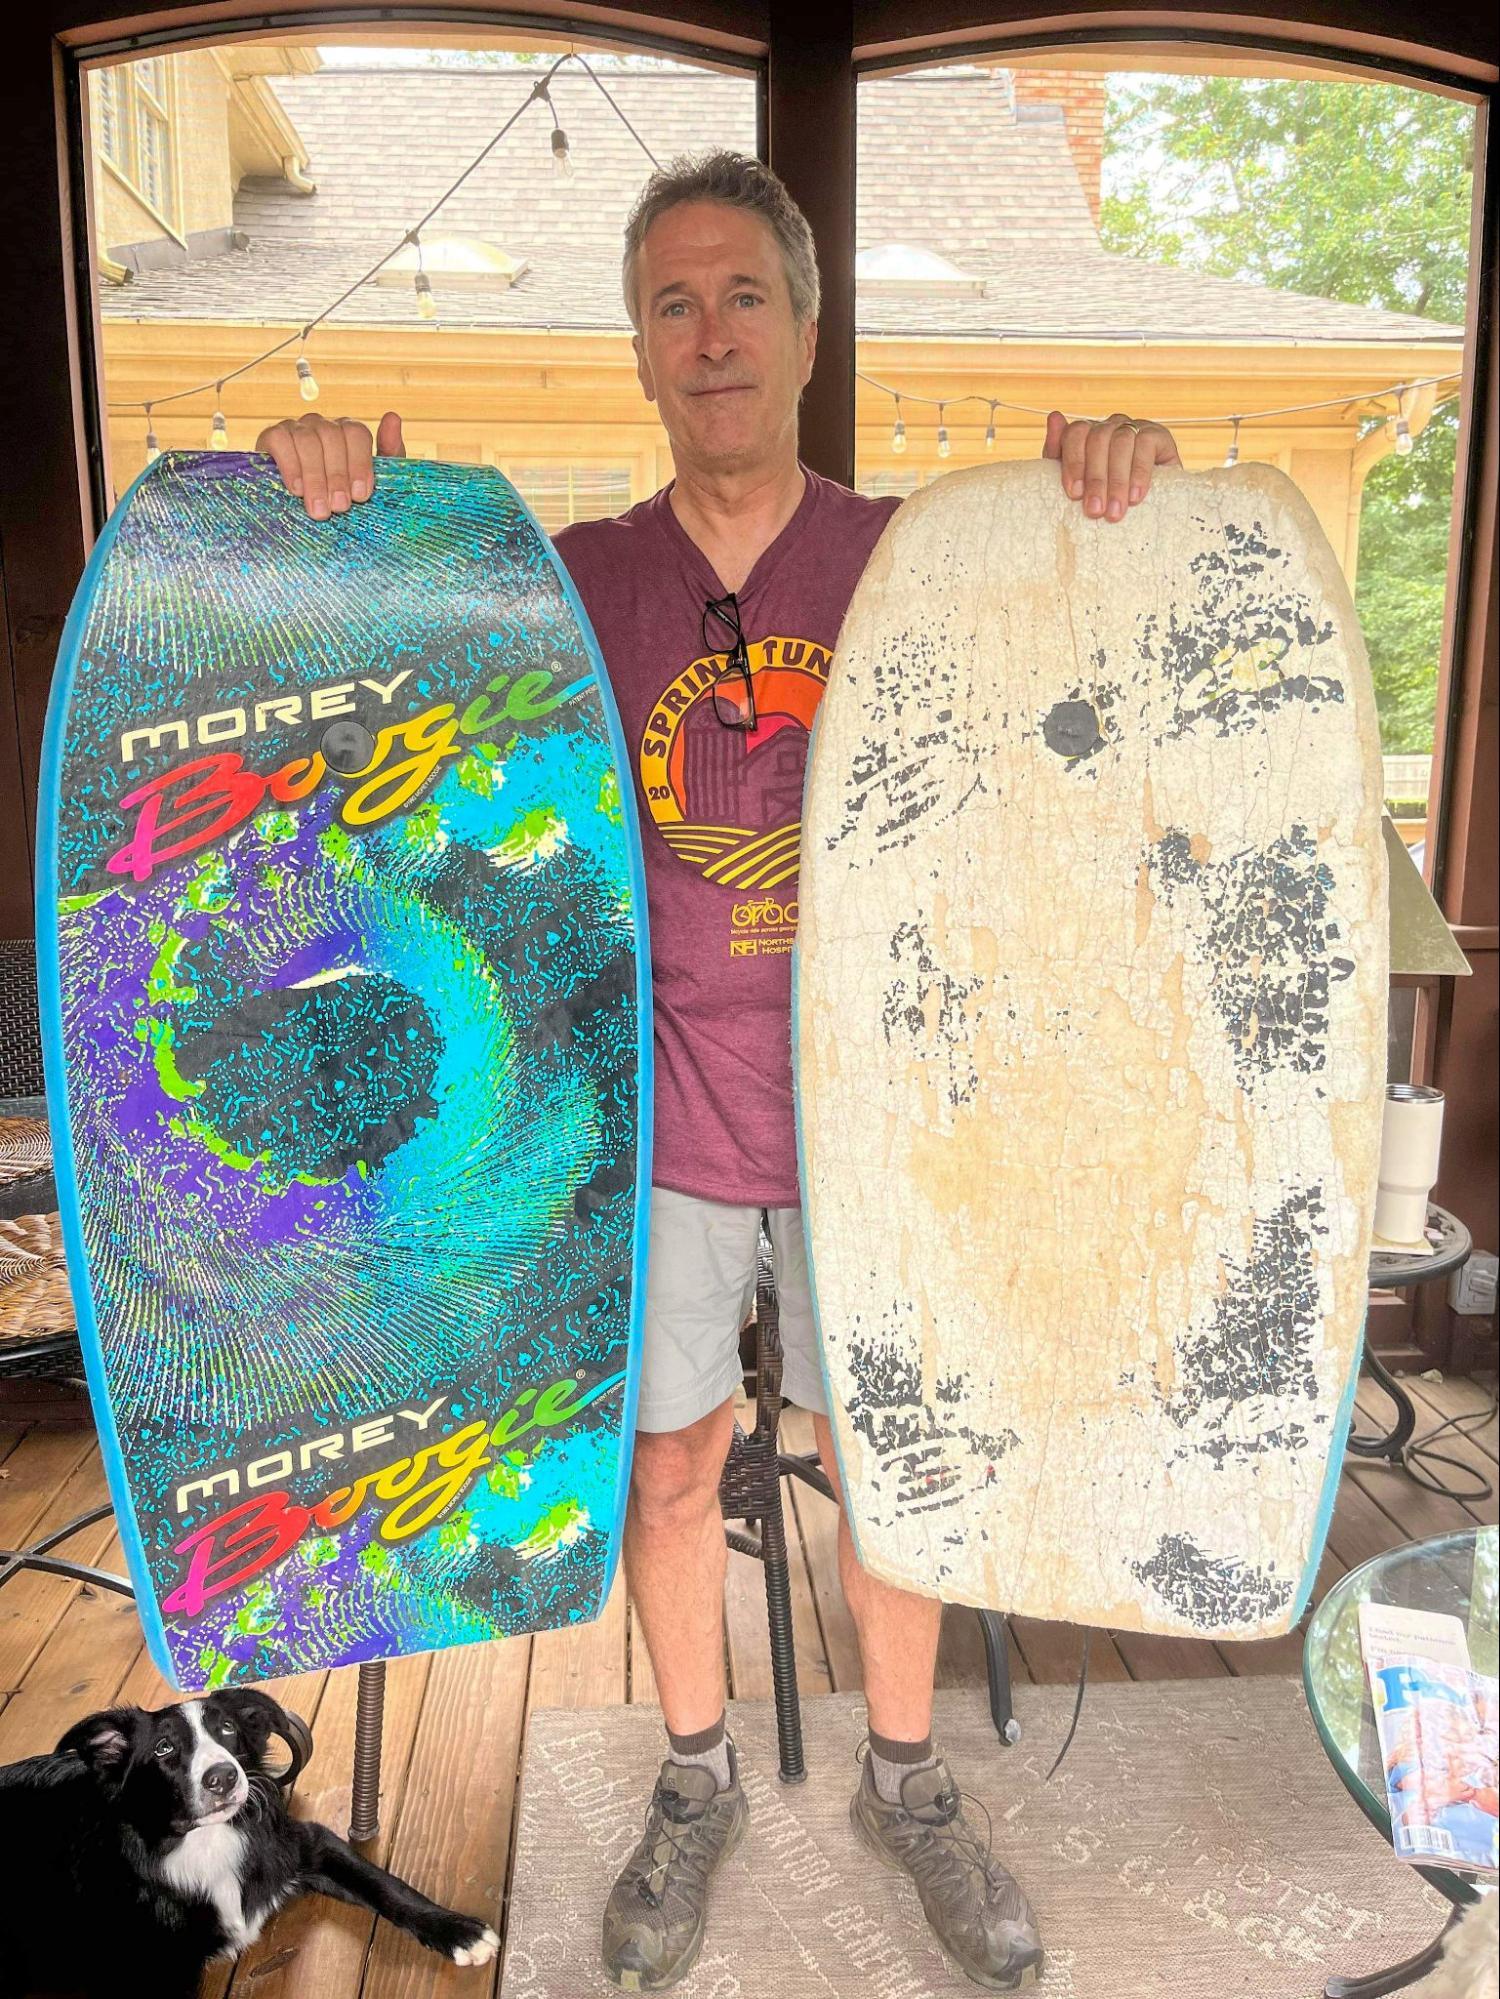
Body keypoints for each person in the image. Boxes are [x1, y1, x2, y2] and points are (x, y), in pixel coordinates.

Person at [257, 150, 1183, 1995]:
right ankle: (694, 1780)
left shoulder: (927, 558)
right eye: (671, 303)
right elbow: (371, 682)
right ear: (638, 349)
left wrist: (1117, 497)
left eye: (744, 295)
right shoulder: (571, 580)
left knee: (896, 1467)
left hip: (879, 1120)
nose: (711, 334)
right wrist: (327, 500)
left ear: (810, 327)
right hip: (648, 1119)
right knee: (671, 1471)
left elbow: (1105, 690)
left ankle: (907, 1784)